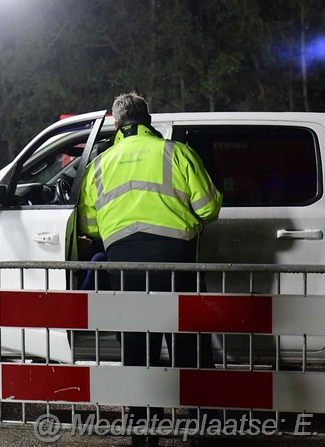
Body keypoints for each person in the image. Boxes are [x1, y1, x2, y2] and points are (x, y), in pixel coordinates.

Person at [78, 92, 222, 447]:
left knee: (137, 352)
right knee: (188, 348)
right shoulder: (177, 153)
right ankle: (200, 429)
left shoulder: (100, 163)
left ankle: (144, 434)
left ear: (116, 123)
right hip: (176, 264)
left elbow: (89, 225)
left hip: (125, 268)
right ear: (148, 118)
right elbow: (209, 208)